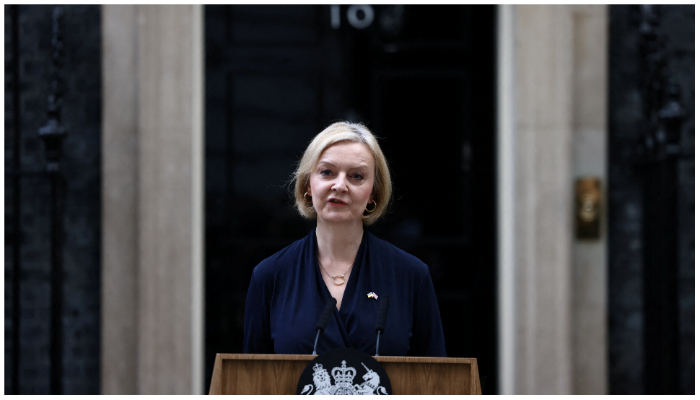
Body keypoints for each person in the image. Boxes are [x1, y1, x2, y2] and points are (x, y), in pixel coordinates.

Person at [243, 122, 446, 357]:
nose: (340, 185)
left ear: (373, 194)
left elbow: (435, 381)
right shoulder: (270, 275)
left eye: (356, 176)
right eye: (327, 172)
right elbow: (252, 382)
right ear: (309, 185)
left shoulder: (411, 275)